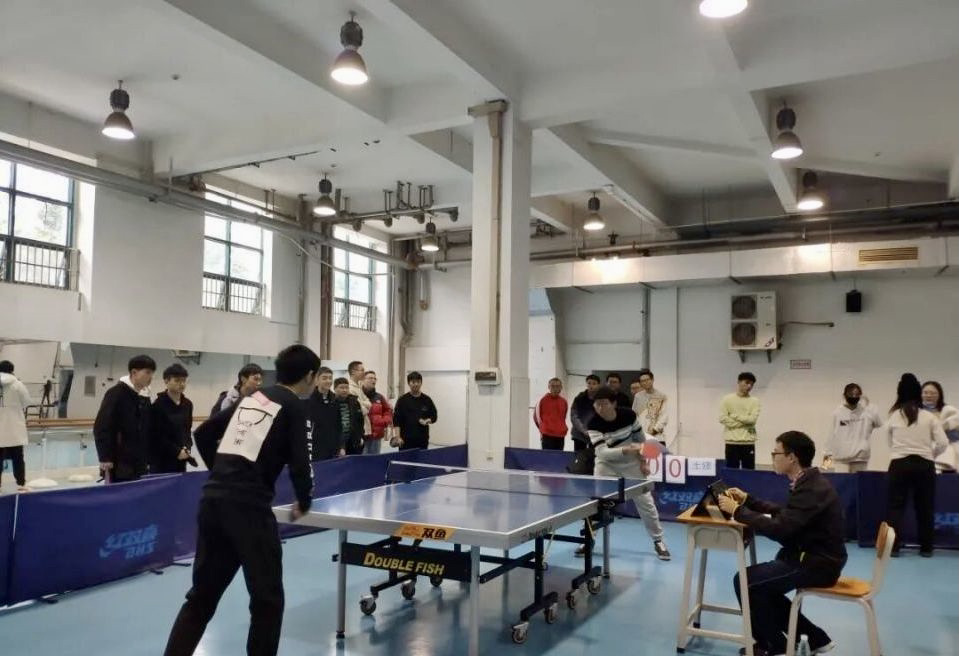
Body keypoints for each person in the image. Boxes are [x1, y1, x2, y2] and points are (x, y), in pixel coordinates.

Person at [164, 344, 318, 656]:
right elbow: (301, 463)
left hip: (213, 501)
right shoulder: (293, 405)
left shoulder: (254, 398)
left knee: (202, 596)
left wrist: (221, 472)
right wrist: (304, 500)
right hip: (249, 509)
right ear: (309, 376)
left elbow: (203, 433)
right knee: (267, 600)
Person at [717, 431, 845, 656]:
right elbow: (788, 515)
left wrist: (737, 511)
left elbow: (780, 528)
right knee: (760, 587)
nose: (773, 457)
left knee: (746, 582)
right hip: (813, 557)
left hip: (816, 564)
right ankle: (814, 639)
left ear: (792, 457)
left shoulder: (812, 488)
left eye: (776, 453)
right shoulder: (808, 482)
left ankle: (773, 646)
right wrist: (749, 501)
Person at [585, 386, 671, 561]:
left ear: (613, 403)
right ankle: (588, 539)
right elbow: (602, 453)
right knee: (596, 503)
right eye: (597, 404)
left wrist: (644, 461)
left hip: (632, 465)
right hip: (606, 466)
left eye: (604, 404)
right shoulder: (593, 424)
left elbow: (641, 441)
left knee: (646, 503)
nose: (600, 408)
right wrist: (625, 449)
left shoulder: (629, 416)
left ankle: (658, 540)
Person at [884, 373, 948, 557]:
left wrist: (899, 453)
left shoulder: (894, 416)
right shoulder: (929, 417)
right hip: (924, 465)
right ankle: (926, 548)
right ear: (918, 393)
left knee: (895, 507)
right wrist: (930, 454)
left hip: (899, 464)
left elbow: (889, 442)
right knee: (925, 507)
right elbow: (943, 443)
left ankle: (893, 548)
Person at [94, 355, 156, 483]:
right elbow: (102, 425)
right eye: (147, 372)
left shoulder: (144, 397)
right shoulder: (116, 393)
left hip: (139, 461)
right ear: (134, 372)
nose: (151, 377)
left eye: (152, 373)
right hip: (119, 461)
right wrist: (105, 457)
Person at [822, 383, 882, 473]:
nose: (854, 396)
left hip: (860, 459)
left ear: (860, 396)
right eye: (851, 394)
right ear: (844, 395)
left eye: (856, 394)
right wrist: (826, 467)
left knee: (860, 482)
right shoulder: (837, 414)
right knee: (842, 482)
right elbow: (829, 441)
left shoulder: (867, 412)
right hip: (841, 460)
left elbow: (878, 424)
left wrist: (869, 405)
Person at [151, 364, 196, 473]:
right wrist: (176, 452)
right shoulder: (158, 405)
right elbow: (157, 435)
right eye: (177, 380)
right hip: (162, 458)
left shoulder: (188, 404)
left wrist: (187, 448)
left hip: (182, 457)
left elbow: (187, 430)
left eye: (184, 380)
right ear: (166, 381)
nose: (181, 384)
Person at [0, 360, 34, 492]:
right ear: (12, 370)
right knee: (18, 457)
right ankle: (21, 483)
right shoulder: (18, 384)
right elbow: (27, 402)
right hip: (14, 426)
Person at [719, 372, 760, 469]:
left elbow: (752, 420)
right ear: (739, 382)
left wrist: (734, 416)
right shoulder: (727, 399)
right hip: (731, 442)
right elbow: (722, 418)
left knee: (749, 472)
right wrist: (745, 422)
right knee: (732, 472)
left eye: (752, 384)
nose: (749, 386)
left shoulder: (755, 401)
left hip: (748, 442)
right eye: (747, 383)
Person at [392, 371, 438, 451]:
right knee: (405, 459)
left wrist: (427, 421)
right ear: (409, 383)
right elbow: (396, 420)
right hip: (405, 441)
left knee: (421, 459)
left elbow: (434, 416)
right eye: (413, 382)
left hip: (422, 440)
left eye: (418, 382)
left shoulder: (427, 400)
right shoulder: (402, 400)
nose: (416, 384)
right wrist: (398, 437)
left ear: (421, 383)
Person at [922, 381, 959, 473]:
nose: (929, 395)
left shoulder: (949, 410)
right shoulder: (916, 412)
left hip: (948, 451)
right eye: (925, 393)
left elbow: (954, 435)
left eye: (933, 393)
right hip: (924, 451)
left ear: (939, 395)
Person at [304, 367, 339, 460]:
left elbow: (338, 424)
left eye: (330, 378)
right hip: (315, 448)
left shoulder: (335, 400)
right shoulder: (309, 400)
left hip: (332, 448)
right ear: (317, 380)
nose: (328, 381)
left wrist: (341, 446)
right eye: (324, 378)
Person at [631, 368, 668, 447]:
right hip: (641, 437)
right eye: (642, 381)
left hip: (658, 437)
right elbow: (634, 415)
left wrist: (653, 431)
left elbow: (664, 417)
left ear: (652, 380)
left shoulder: (662, 396)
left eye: (647, 380)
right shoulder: (638, 396)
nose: (645, 382)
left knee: (658, 455)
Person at [534, 378, 569, 450]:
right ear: (549, 387)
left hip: (560, 435)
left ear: (561, 387)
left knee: (559, 456)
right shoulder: (542, 400)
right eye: (553, 386)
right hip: (547, 435)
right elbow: (536, 417)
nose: (555, 389)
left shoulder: (564, 402)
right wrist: (542, 430)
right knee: (547, 456)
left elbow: (563, 417)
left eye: (558, 386)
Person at [362, 370, 392, 454]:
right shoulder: (359, 395)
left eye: (375, 378)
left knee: (375, 459)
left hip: (376, 436)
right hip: (363, 436)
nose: (373, 380)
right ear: (363, 380)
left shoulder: (379, 397)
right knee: (362, 459)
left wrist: (384, 421)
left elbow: (388, 410)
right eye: (370, 378)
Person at [570, 375, 601, 452]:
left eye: (594, 383)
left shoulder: (601, 399)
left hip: (595, 435)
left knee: (593, 456)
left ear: (598, 385)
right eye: (589, 383)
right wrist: (583, 430)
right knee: (579, 456)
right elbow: (573, 415)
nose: (591, 386)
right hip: (579, 434)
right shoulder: (579, 397)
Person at [333, 377, 364, 455]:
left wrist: (360, 436)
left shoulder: (354, 402)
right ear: (335, 389)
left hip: (353, 440)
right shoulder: (331, 403)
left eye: (346, 387)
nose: (344, 390)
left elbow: (360, 421)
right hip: (338, 440)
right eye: (341, 388)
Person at [347, 360, 372, 443]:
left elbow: (369, 404)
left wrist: (363, 403)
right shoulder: (349, 388)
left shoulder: (359, 386)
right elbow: (361, 410)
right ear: (353, 372)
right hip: (356, 427)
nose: (364, 372)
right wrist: (364, 404)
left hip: (364, 427)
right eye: (362, 370)